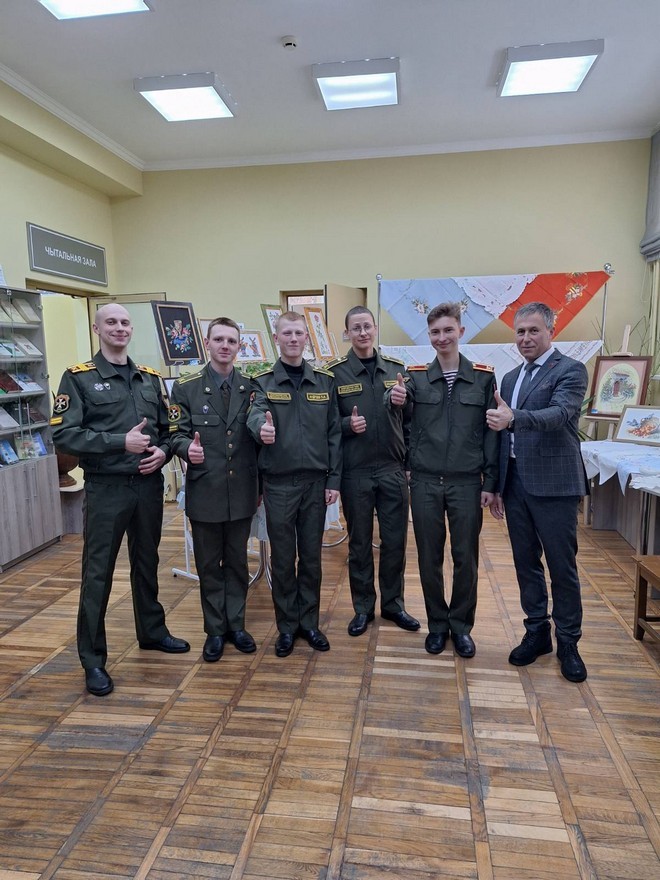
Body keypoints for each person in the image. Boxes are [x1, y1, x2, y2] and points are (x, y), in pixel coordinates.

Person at [51, 304, 189, 698]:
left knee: (147, 563)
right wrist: (118, 442)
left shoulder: (150, 378)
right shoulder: (78, 378)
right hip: (106, 489)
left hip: (147, 486)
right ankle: (93, 660)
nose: (119, 328)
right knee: (98, 573)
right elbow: (64, 436)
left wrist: (163, 451)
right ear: (97, 329)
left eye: (125, 322)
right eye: (110, 322)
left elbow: (169, 428)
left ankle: (152, 632)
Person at [486, 301, 589, 682]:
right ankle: (537, 633)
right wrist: (497, 486)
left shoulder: (571, 370)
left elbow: (559, 415)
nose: (526, 338)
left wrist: (515, 418)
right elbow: (502, 437)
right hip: (516, 486)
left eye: (533, 331)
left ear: (551, 331)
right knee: (525, 563)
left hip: (556, 486)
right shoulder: (510, 378)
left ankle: (569, 642)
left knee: (562, 567)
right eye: (520, 332)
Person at [389, 302, 498, 658]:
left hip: (466, 482)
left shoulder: (483, 378)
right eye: (435, 332)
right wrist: (396, 400)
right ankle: (437, 625)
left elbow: (492, 433)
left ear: (461, 331)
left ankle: (461, 627)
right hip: (424, 481)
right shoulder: (416, 377)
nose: (442, 337)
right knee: (428, 557)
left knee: (466, 557)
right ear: (429, 335)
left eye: (448, 330)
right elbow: (402, 416)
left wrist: (490, 482)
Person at [247, 311, 341, 657]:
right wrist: (261, 429)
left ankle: (309, 623)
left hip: (316, 483)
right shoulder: (263, 382)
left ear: (306, 338)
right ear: (277, 338)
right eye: (286, 333)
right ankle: (287, 627)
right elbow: (253, 414)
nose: (293, 339)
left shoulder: (324, 382)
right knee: (284, 559)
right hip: (279, 484)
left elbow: (334, 434)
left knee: (312, 558)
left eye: (298, 333)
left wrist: (334, 480)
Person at [170, 317, 259, 663]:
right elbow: (175, 433)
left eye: (231, 341)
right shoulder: (186, 388)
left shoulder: (251, 387)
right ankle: (215, 630)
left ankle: (236, 624)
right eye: (219, 339)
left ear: (239, 347)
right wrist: (185, 449)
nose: (225, 346)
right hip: (205, 489)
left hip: (241, 491)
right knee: (208, 565)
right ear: (207, 343)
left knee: (237, 561)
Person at [329, 306, 419, 637]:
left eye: (367, 326)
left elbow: (411, 423)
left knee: (395, 542)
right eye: (356, 328)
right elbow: (327, 425)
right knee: (360, 545)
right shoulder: (335, 374)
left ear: (375, 328)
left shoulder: (396, 370)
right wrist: (346, 425)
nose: (363, 332)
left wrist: (408, 464)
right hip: (356, 472)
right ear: (347, 333)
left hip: (393, 470)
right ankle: (363, 608)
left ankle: (393, 605)